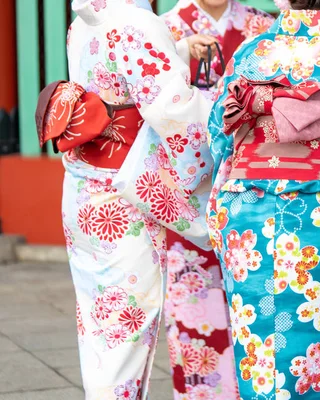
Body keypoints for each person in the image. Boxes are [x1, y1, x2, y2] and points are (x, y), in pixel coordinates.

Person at [206, 0, 320, 397]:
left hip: (244, 212)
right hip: (312, 212)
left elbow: (218, 134)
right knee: (318, 337)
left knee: (257, 345)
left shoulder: (250, 51)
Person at [40, 0, 219, 397]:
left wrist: (180, 48)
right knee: (125, 332)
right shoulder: (138, 23)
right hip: (123, 198)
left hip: (85, 189)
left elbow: (118, 78)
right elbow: (174, 112)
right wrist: (219, 112)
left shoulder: (84, 19)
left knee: (100, 326)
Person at [159, 2, 274, 398]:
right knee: (194, 311)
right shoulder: (164, 29)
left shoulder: (262, 24)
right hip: (188, 193)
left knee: (260, 306)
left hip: (253, 188)